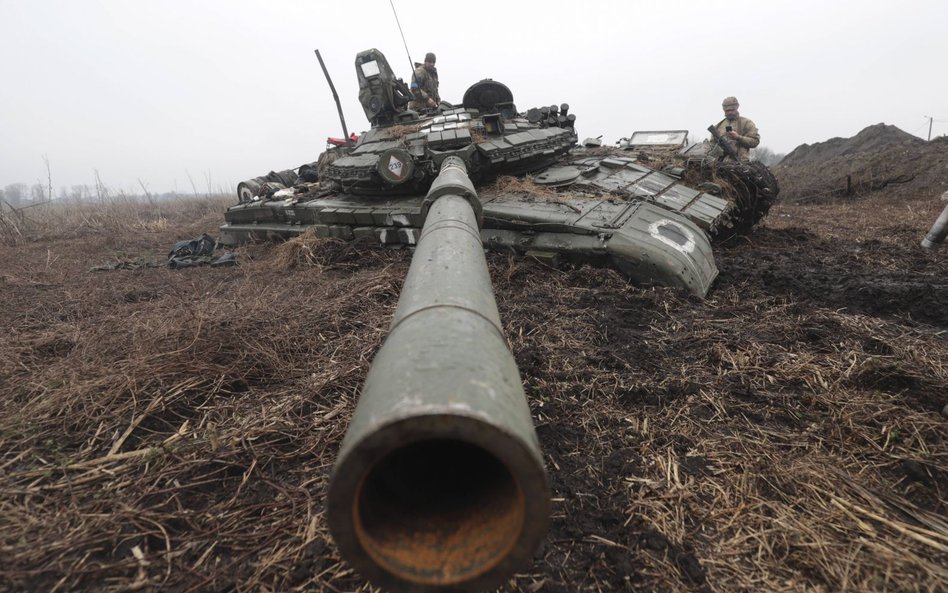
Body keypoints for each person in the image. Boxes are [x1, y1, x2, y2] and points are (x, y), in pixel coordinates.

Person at [714, 96, 760, 161]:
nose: (730, 112)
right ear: (724, 110)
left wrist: (738, 137)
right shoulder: (718, 126)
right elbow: (711, 147)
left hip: (741, 165)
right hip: (720, 165)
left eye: (732, 110)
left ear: (737, 108)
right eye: (727, 110)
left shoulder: (747, 123)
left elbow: (755, 142)